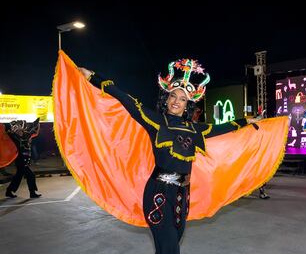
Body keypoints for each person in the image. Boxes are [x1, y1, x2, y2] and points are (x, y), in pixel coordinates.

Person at [78, 61, 265, 253]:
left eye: (182, 99)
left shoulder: (195, 129)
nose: (176, 101)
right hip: (158, 193)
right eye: (173, 96)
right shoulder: (156, 121)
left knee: (167, 248)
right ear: (166, 99)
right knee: (170, 249)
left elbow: (221, 128)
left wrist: (246, 121)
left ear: (188, 105)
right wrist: (93, 76)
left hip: (182, 197)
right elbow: (126, 100)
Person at [2, 118, 42, 198]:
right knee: (30, 175)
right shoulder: (13, 137)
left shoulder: (27, 134)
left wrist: (38, 120)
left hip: (26, 160)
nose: (17, 128)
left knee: (18, 176)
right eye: (16, 128)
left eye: (19, 126)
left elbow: (35, 129)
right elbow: (6, 129)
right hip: (20, 160)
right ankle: (32, 193)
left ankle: (9, 191)